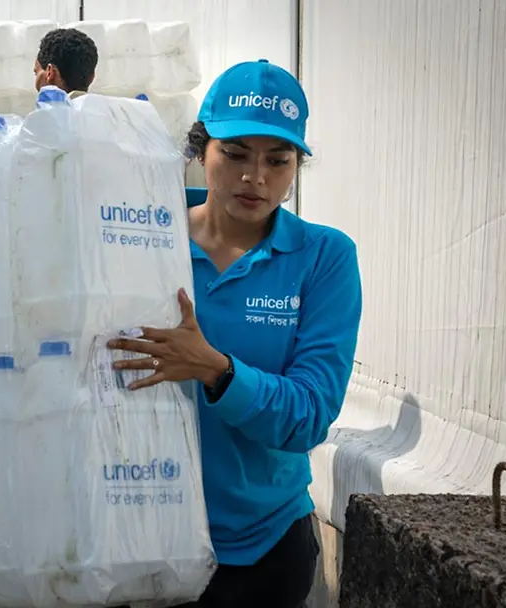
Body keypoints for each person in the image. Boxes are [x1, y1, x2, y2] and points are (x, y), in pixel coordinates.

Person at [108, 59, 363, 607]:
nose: (256, 177)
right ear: (201, 151)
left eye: (278, 159)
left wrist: (216, 370)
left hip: (259, 550)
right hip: (135, 537)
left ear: (297, 165)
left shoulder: (323, 258)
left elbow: (310, 415)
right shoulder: (140, 235)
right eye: (236, 153)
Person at [33, 28, 98, 98]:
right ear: (92, 77)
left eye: (36, 73)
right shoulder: (106, 106)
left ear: (50, 73)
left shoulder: (46, 108)